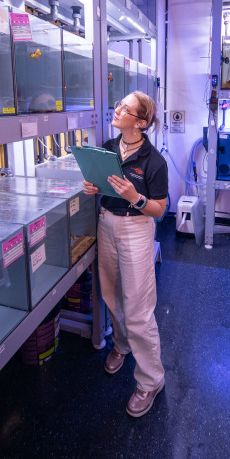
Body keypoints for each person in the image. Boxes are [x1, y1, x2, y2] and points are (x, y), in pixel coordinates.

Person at [82, 92, 168, 417]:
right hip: (106, 223)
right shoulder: (107, 148)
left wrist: (136, 197)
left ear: (141, 122)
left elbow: (159, 209)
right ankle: (121, 345)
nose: (116, 110)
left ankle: (151, 380)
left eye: (125, 108)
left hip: (136, 227)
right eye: (118, 104)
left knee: (138, 308)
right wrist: (91, 187)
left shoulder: (153, 161)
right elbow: (98, 183)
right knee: (111, 293)